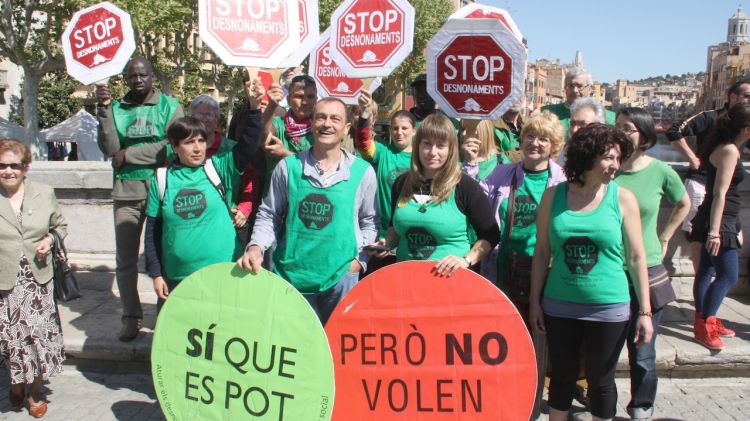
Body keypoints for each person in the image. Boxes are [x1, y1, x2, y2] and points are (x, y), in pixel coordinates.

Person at [529, 124, 653, 421]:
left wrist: (645, 312)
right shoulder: (552, 197)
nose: (615, 165)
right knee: (560, 377)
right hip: (559, 305)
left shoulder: (622, 199)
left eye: (618, 158)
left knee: (601, 382)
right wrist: (535, 301)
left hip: (609, 308)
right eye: (609, 157)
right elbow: (542, 252)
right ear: (587, 156)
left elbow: (636, 258)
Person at [237, 98, 379, 325]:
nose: (327, 124)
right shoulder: (288, 167)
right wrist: (255, 247)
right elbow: (269, 214)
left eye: (335, 119)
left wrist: (358, 262)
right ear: (311, 123)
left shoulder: (363, 172)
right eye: (321, 117)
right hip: (291, 277)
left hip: (340, 279)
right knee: (296, 350)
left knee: (337, 349)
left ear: (346, 128)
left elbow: (370, 221)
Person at [144, 81, 264, 311]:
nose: (198, 148)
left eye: (201, 140)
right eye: (189, 142)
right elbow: (152, 233)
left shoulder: (219, 167)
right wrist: (156, 274)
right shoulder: (161, 179)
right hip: (178, 280)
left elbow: (249, 144)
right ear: (175, 147)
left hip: (225, 273)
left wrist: (254, 107)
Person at [480, 111, 566, 420]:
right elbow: (476, 203)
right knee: (501, 341)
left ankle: (529, 407)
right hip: (501, 269)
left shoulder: (562, 181)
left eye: (543, 138)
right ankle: (501, 403)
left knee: (536, 343)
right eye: (530, 135)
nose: (535, 143)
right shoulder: (502, 174)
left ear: (554, 145)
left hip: (544, 273)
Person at [96, 57, 183, 341]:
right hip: (126, 192)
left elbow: (171, 146)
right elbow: (110, 147)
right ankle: (130, 316)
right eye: (132, 76)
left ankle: (167, 314)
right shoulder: (118, 108)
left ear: (153, 76)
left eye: (143, 74)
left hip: (162, 189)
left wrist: (129, 154)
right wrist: (104, 111)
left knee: (166, 257)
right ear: (126, 78)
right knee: (125, 260)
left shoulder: (170, 106)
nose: (138, 80)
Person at [614, 107, 690, 420]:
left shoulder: (660, 171)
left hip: (645, 267)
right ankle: (598, 399)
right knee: (602, 346)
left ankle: (641, 405)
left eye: (627, 128)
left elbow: (684, 202)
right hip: (608, 268)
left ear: (644, 135)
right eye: (616, 126)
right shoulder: (607, 168)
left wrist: (665, 236)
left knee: (642, 350)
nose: (620, 132)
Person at [382, 113, 499, 274]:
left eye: (440, 146)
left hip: (449, 283)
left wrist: (466, 260)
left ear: (451, 149)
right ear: (417, 146)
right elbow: (394, 229)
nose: (432, 152)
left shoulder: (465, 187)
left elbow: (491, 235)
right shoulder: (401, 183)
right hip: (405, 279)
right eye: (427, 144)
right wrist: (385, 244)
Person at [0, 139, 67, 418]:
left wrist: (49, 240)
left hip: (37, 280)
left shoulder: (44, 192)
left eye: (14, 165)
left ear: (25, 167)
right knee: (9, 339)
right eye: (2, 165)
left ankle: (36, 393)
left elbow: (60, 226)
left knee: (39, 338)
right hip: (4, 281)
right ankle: (15, 385)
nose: (8, 171)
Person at [666, 78, 750, 274]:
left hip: (728, 193)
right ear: (733, 96)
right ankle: (700, 279)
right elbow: (674, 130)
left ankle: (707, 281)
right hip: (702, 182)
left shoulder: (744, 123)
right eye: (747, 96)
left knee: (730, 234)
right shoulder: (710, 117)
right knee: (698, 235)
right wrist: (692, 158)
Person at [689, 103, 750, 350]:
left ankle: (702, 319)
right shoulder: (729, 151)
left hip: (720, 218)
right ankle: (706, 323)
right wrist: (716, 231)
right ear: (746, 128)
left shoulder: (723, 146)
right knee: (728, 275)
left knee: (705, 271)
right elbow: (720, 194)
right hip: (719, 220)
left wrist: (736, 225)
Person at [355, 91, 414, 261]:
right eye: (395, 128)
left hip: (409, 237)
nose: (399, 132)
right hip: (381, 235)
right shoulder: (382, 151)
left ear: (414, 131)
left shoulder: (422, 158)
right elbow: (363, 142)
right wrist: (365, 114)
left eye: (404, 128)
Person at [541, 67, 615, 139]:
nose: (575, 90)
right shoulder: (547, 113)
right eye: (570, 86)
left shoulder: (610, 118)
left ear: (590, 89)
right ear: (564, 89)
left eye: (579, 86)